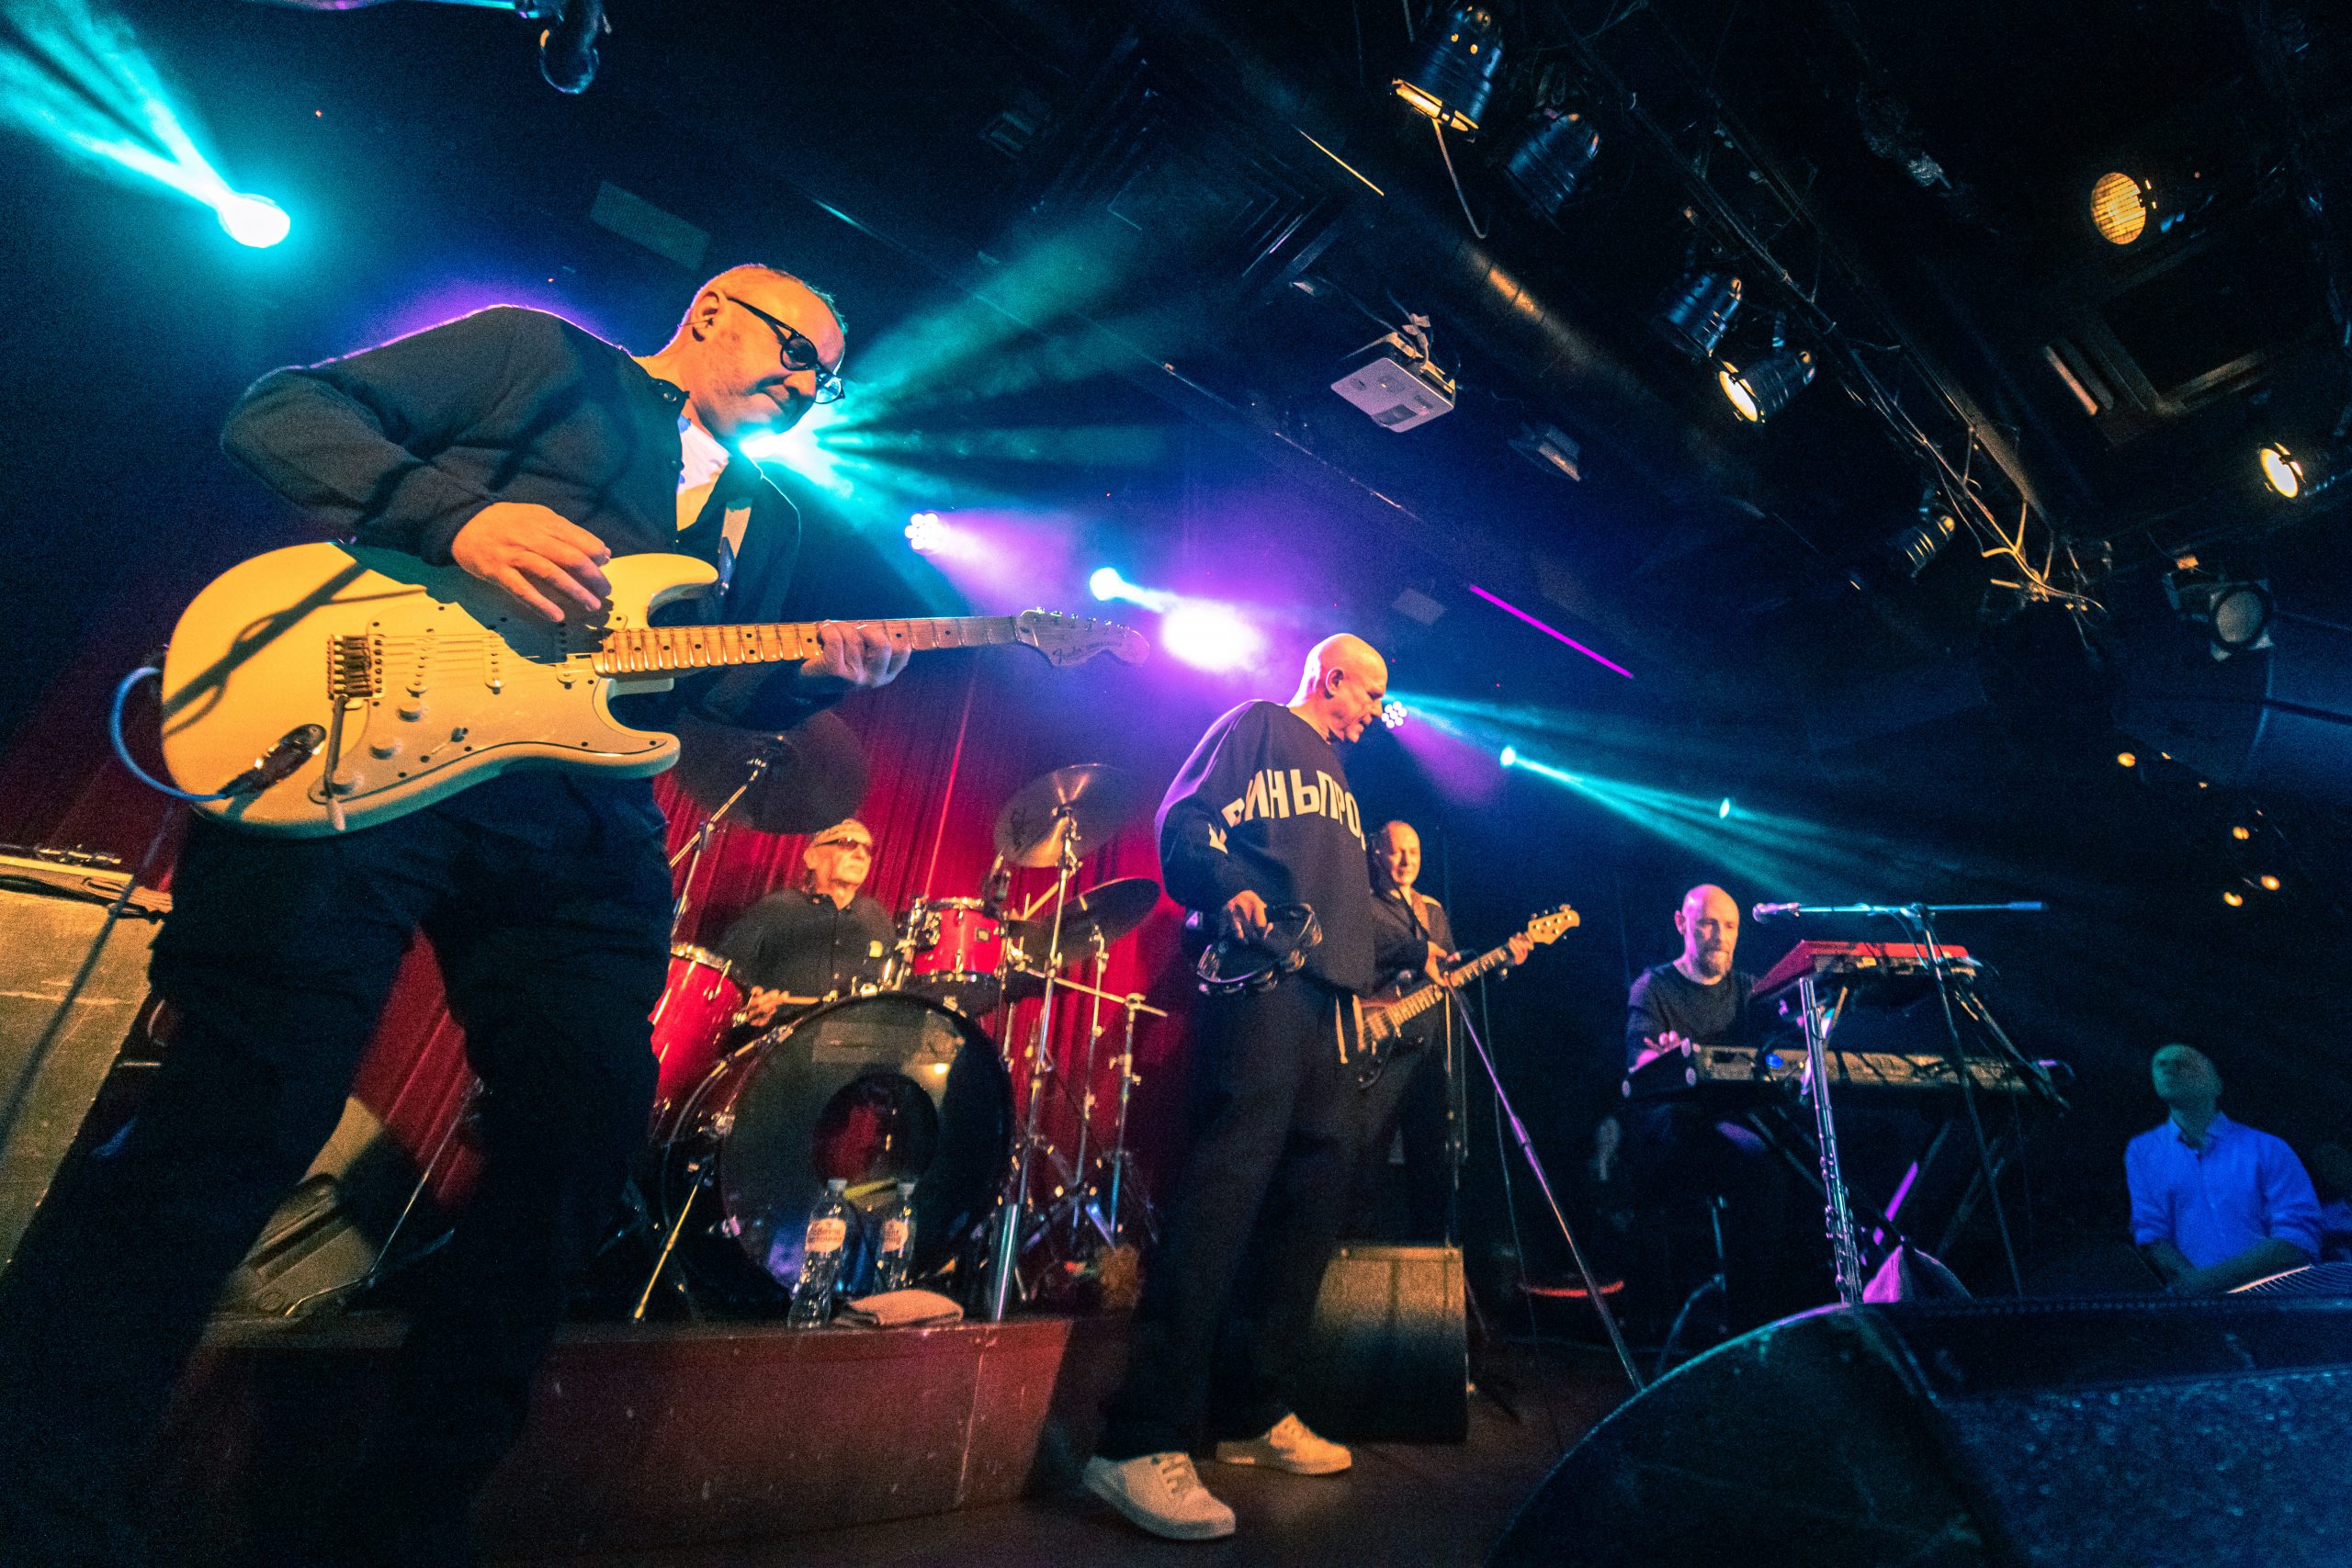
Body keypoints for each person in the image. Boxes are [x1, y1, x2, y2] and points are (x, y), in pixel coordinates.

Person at [0, 265, 910, 1568]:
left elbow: (695, 687)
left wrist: (808, 671)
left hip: (578, 817)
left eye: (831, 377)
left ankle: (408, 1516)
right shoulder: (541, 357)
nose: (811, 385)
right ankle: (37, 1490)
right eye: (798, 351)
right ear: (714, 311)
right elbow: (276, 413)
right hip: (364, 742)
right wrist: (462, 519)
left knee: (583, 1127)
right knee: (248, 1099)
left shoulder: (764, 519)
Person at [1083, 635, 1443, 1542]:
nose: (1374, 715)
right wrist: (1226, 882)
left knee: (1311, 1200)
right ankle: (1139, 1437)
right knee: (1227, 1186)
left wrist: (1411, 946)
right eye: (1371, 696)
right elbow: (1186, 818)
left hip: (1335, 1006)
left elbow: (1343, 906)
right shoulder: (1257, 726)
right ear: (1332, 678)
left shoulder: (1343, 788)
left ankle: (1252, 1409)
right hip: (1266, 983)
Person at [1611, 883, 1794, 1330]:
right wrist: (1666, 1061)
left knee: (1799, 1155)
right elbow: (1639, 1062)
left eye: (1729, 926)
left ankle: (1785, 1311)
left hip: (1733, 1121)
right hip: (1671, 1128)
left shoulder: (1750, 990)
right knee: (1756, 1169)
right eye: (1708, 924)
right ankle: (1746, 1322)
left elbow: (1787, 1045)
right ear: (1682, 923)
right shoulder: (1653, 987)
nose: (1720, 936)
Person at [1348, 820, 1530, 1240]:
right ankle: (1352, 1247)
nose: (1407, 860)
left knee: (1431, 1155)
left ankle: (1431, 1248)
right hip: (1379, 1046)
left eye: (1414, 852)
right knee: (1367, 1155)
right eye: (1398, 851)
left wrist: (1501, 960)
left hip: (1428, 1050)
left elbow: (1446, 972)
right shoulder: (1362, 903)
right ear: (1376, 852)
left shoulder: (1431, 910)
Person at [2128, 1043, 2321, 1295]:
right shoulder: (2142, 1151)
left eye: (2184, 1062)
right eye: (2160, 1064)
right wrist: (2200, 1288)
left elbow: (2298, 1238)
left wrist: (2203, 1284)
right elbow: (2151, 1231)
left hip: (2275, 1301)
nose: (2169, 1068)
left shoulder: (2269, 1148)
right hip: (2197, 1308)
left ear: (2217, 1084)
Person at [717, 818, 895, 1027]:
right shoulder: (777, 908)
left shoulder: (877, 918)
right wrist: (751, 999)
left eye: (868, 849)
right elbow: (726, 974)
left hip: (854, 1040)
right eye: (847, 843)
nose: (861, 855)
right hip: (784, 1036)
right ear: (812, 857)